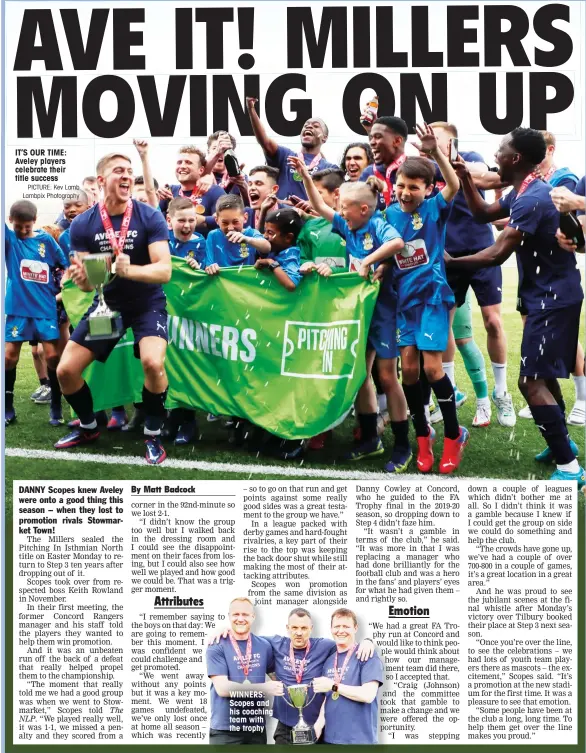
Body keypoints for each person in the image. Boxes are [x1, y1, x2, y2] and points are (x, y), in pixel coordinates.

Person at [447, 128, 584, 486]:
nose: (496, 155)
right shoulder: (522, 190)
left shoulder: (532, 198)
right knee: (544, 375)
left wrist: (447, 262)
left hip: (553, 299)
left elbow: (497, 253)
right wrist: (463, 177)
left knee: (530, 382)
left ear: (516, 158)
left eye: (501, 150)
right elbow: (482, 214)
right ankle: (561, 445)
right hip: (549, 296)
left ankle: (570, 468)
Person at [291, 154, 411, 472]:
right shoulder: (348, 224)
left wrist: (369, 261)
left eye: (344, 207)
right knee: (360, 376)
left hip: (383, 310)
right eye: (340, 207)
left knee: (386, 376)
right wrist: (304, 175)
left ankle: (403, 445)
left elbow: (398, 243)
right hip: (359, 310)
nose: (339, 212)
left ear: (362, 209)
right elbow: (319, 206)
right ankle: (371, 439)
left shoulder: (377, 224)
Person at [54, 152, 172, 465]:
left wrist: (129, 270)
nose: (126, 176)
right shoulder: (82, 224)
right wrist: (82, 279)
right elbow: (88, 283)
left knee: (153, 364)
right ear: (101, 180)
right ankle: (89, 427)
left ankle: (152, 435)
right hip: (109, 305)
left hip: (148, 303)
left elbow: (164, 271)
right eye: (119, 170)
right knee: (66, 370)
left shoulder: (149, 216)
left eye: (129, 171)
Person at [379, 125, 468, 475]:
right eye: (400, 185)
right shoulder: (388, 216)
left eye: (413, 187)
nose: (405, 192)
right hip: (404, 303)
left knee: (433, 369)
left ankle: (453, 435)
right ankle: (422, 437)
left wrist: (435, 154)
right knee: (410, 372)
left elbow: (456, 185)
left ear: (428, 189)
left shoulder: (433, 209)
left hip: (431, 297)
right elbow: (386, 252)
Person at [429, 122, 513, 427]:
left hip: (482, 253)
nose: (428, 142)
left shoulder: (470, 157)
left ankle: (501, 392)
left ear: (451, 141)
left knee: (492, 321)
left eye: (435, 138)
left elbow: (493, 177)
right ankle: (447, 394)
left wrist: (465, 171)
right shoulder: (426, 167)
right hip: (447, 257)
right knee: (445, 326)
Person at [208, 607, 375, 745]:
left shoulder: (325, 646)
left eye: (304, 628)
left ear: (311, 629)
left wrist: (368, 641)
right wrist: (226, 630)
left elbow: (347, 644)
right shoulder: (274, 643)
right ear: (287, 628)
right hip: (285, 728)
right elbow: (246, 638)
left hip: (317, 727)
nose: (299, 633)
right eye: (294, 628)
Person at [5, 202, 70, 427]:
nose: (22, 231)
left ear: (35, 220)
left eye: (26, 226)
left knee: (52, 356)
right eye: (18, 226)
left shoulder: (46, 240)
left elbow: (64, 265)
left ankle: (55, 405)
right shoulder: (10, 240)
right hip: (18, 309)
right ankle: (7, 406)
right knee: (8, 357)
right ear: (10, 220)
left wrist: (63, 281)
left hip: (44, 308)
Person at [206, 597, 282, 745]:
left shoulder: (264, 645)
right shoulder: (216, 645)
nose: (240, 619)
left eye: (245, 614)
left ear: (253, 617)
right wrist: (264, 688)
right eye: (236, 614)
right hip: (225, 731)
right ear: (229, 616)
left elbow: (277, 677)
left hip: (256, 730)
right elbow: (222, 688)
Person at [313, 609, 384, 745]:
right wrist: (319, 724)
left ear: (355, 628)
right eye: (337, 626)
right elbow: (328, 697)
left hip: (360, 741)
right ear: (331, 629)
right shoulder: (329, 660)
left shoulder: (367, 655)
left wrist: (333, 686)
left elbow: (368, 695)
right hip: (330, 740)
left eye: (346, 626)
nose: (341, 631)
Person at [246, 97, 338, 200]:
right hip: (282, 214)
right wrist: (251, 109)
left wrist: (303, 206)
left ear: (324, 138)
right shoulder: (286, 156)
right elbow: (265, 141)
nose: (309, 127)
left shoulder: (330, 168)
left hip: (311, 215)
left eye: (316, 126)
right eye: (306, 125)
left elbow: (332, 201)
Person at [158, 146, 225, 229]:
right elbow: (155, 221)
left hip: (204, 241)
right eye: (179, 162)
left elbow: (226, 220)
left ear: (201, 170)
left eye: (188, 162)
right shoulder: (168, 191)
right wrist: (155, 197)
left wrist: (203, 220)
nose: (182, 166)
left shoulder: (214, 191)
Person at [205, 194, 271, 273]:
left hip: (246, 282)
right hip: (222, 283)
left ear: (245, 217)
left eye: (235, 222)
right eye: (225, 223)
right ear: (216, 220)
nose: (230, 228)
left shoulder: (252, 233)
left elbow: (267, 247)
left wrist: (247, 239)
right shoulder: (213, 236)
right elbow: (208, 266)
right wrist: (211, 268)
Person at [256, 208, 303, 292]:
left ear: (288, 237)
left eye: (270, 232)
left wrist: (270, 262)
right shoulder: (273, 248)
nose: (265, 236)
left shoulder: (291, 254)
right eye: (265, 231)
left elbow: (291, 284)